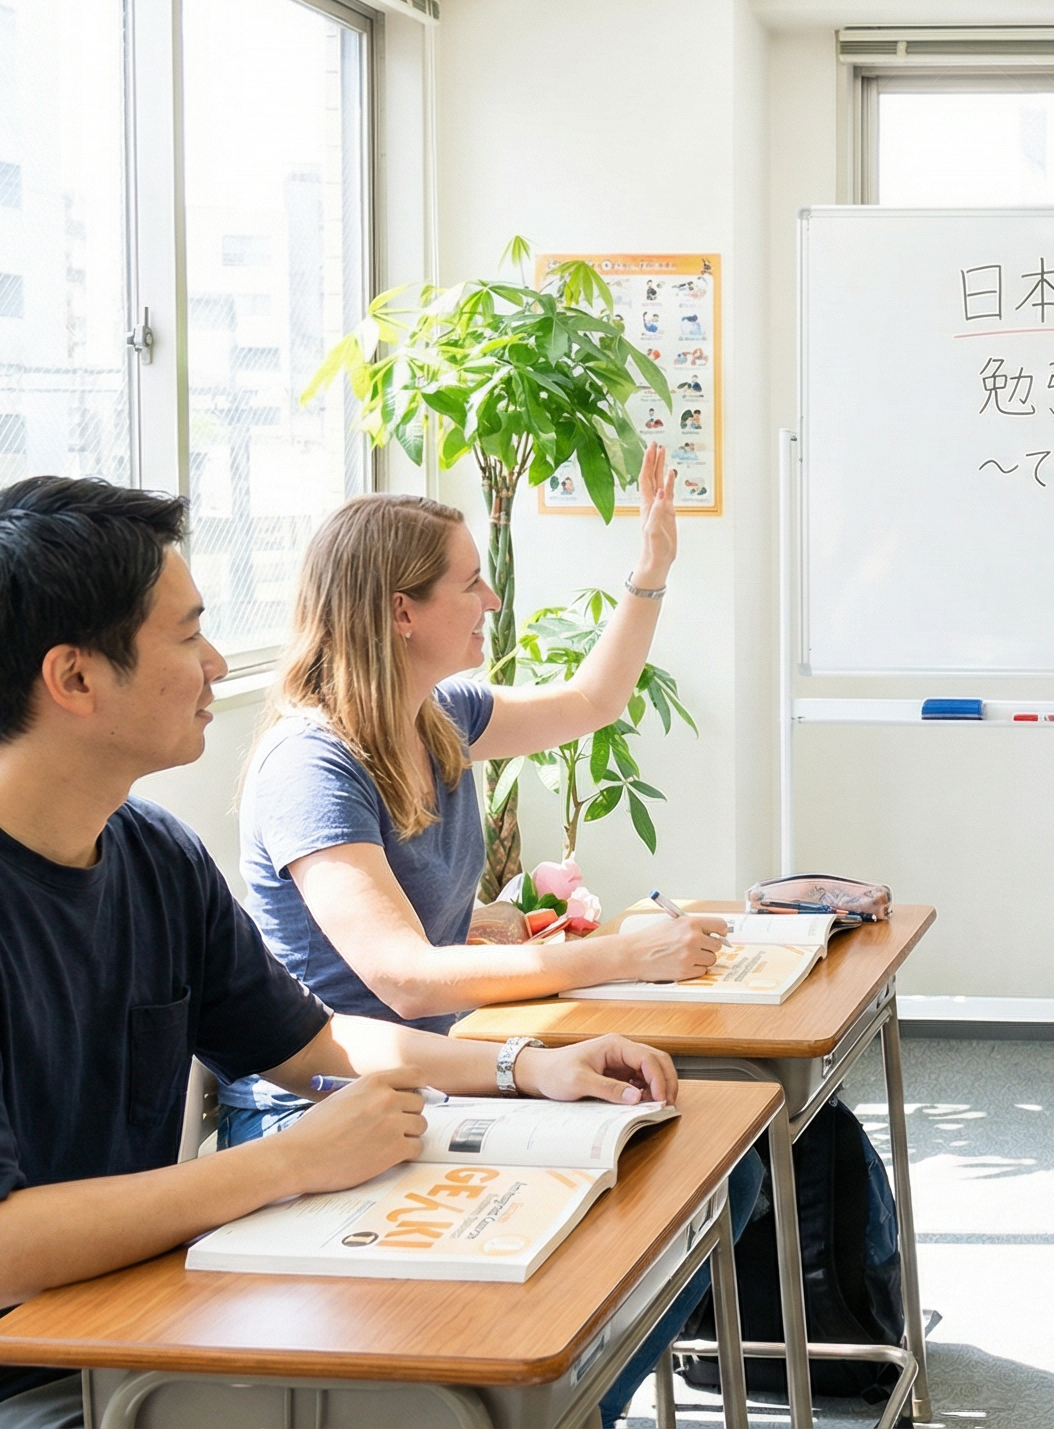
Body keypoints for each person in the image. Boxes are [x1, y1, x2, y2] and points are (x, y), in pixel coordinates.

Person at [0, 478, 677, 1429]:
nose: (218, 665)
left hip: (119, 1330)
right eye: (188, 637)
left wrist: (525, 1067)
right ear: (75, 679)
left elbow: (317, 1045)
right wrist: (286, 1163)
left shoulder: (149, 852)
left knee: (526, 1354)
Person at [225, 452, 762, 1428]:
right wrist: (621, 953)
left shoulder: (437, 719)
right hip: (327, 1106)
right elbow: (406, 979)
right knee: (664, 1193)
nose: (492, 598)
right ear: (401, 612)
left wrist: (651, 571)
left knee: (719, 1171)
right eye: (470, 582)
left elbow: (592, 702)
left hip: (446, 1073)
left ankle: (568, 1403)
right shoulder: (311, 765)